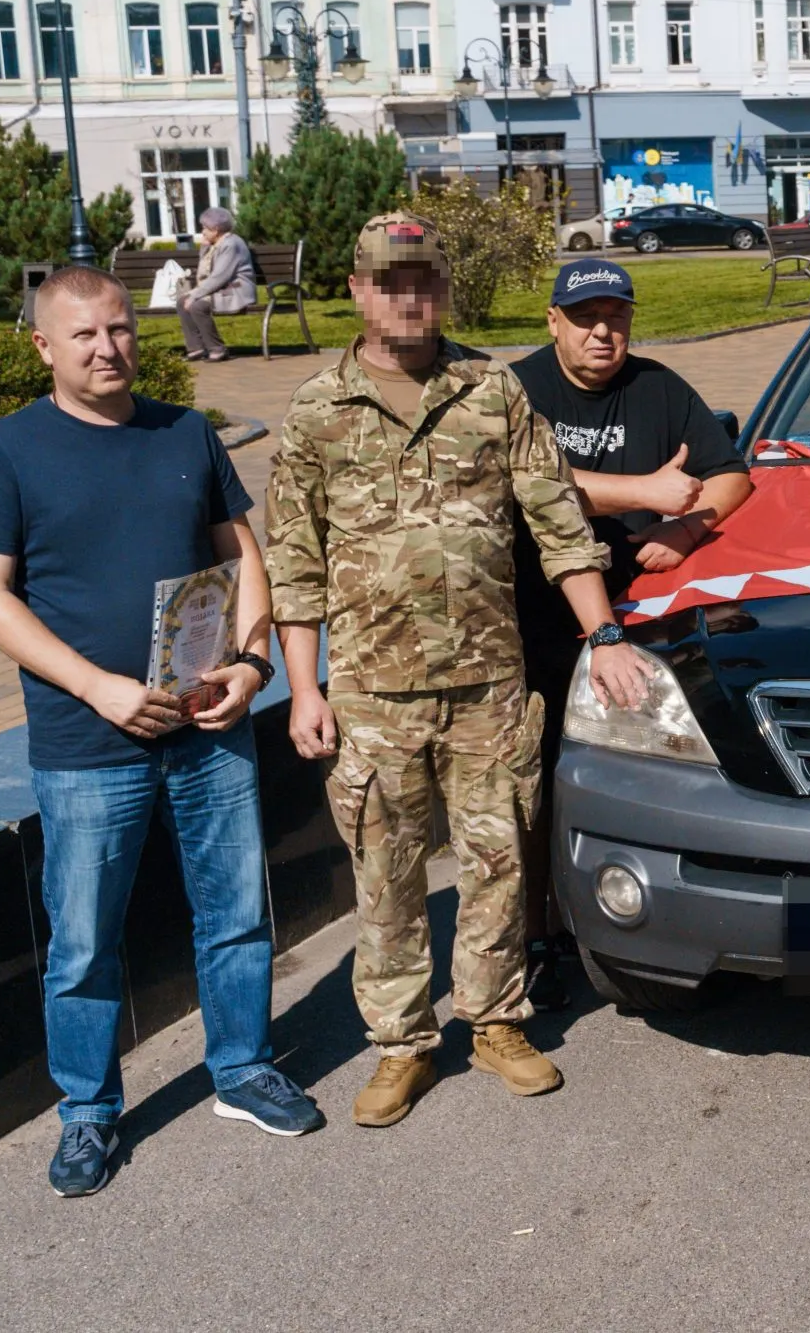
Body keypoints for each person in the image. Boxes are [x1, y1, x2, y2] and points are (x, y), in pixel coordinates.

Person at [265, 212, 648, 1128]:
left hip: (488, 684)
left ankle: (497, 1020)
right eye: (391, 282)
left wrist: (604, 635)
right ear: (357, 290)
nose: (411, 298)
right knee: (387, 873)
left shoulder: (493, 391)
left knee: (498, 858)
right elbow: (293, 556)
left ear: (444, 291)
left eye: (426, 282)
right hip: (370, 690)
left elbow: (558, 520)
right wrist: (305, 687)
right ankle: (401, 1043)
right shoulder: (319, 409)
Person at [0, 266, 321, 1198]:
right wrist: (97, 687)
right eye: (84, 336)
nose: (108, 348)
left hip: (208, 728)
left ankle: (241, 1067)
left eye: (119, 329)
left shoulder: (184, 432)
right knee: (83, 941)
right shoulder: (4, 452)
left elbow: (241, 554)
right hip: (88, 743)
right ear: (42, 345)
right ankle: (87, 1113)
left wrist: (250, 665)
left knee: (235, 914)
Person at [509, 258, 754, 1008]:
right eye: (585, 317)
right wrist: (641, 491)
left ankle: (630, 918)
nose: (601, 331)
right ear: (553, 321)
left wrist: (684, 524)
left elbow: (733, 476)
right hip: (534, 619)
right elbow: (522, 479)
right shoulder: (517, 391)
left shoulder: (660, 388)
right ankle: (532, 938)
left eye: (615, 315)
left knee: (627, 784)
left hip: (640, 624)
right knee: (530, 786)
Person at [178, 208, 254, 363]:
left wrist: (195, 295)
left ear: (217, 229)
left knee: (197, 305)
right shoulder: (216, 243)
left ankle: (217, 349)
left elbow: (219, 277)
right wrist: (204, 248)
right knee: (182, 302)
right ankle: (196, 347)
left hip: (235, 289)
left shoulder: (230, 244)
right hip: (221, 288)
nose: (203, 232)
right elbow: (204, 272)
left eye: (206, 228)